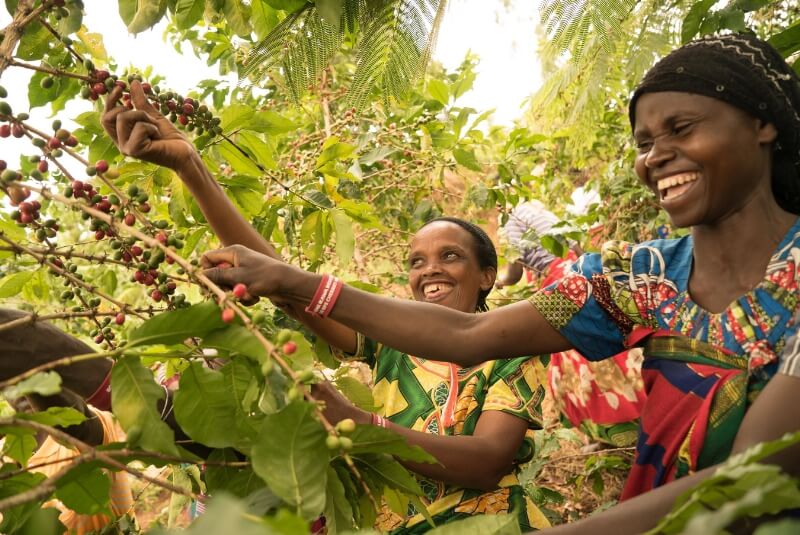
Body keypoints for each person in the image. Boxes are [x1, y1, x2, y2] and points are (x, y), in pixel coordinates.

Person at [193, 33, 800, 533]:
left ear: (763, 125)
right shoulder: (639, 277)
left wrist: (361, 422)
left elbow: (749, 479)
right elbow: (470, 333)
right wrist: (281, 268)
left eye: (681, 128)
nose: (656, 156)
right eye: (644, 142)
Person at [101, 90, 552, 532]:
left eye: (450, 256)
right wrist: (190, 166)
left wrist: (361, 423)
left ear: (488, 275)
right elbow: (287, 287)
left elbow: (487, 462)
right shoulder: (391, 344)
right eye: (416, 261)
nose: (430, 270)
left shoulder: (513, 350)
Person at [498, 201, 646, 448]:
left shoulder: (510, 225)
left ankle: (607, 434)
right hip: (576, 275)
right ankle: (643, 417)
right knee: (609, 346)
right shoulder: (539, 210)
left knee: (576, 363)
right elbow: (576, 247)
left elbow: (514, 274)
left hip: (556, 285)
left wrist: (500, 283)